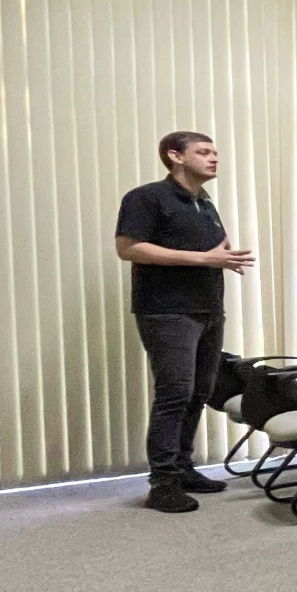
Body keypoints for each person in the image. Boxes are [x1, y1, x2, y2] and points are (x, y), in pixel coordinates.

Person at [113, 130, 254, 512]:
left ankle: (183, 467)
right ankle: (162, 484)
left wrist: (219, 260)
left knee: (199, 393)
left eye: (215, 152)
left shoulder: (204, 202)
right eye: (203, 152)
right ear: (175, 156)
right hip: (167, 312)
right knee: (174, 395)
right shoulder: (146, 197)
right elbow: (129, 248)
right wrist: (204, 260)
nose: (214, 158)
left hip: (208, 309)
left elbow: (214, 253)